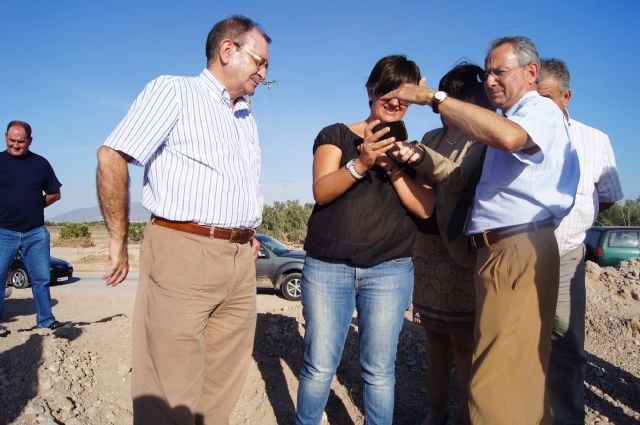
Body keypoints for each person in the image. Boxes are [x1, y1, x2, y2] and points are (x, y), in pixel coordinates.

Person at [383, 36, 580, 424]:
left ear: (531, 72)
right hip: (501, 251)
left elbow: (507, 140)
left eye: (499, 72)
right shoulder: (511, 117)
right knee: (517, 378)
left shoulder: (536, 110)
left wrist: (431, 97)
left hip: (515, 249)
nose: (490, 81)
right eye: (487, 72)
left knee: (490, 386)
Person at [96, 15, 270, 425]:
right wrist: (118, 240)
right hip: (182, 250)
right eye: (259, 62)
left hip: (240, 259)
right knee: (168, 389)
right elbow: (112, 155)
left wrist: (246, 232)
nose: (263, 73)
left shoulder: (246, 117)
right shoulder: (174, 91)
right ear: (228, 51)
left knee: (221, 386)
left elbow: (231, 184)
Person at [295, 55, 435, 425]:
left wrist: (392, 168)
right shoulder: (335, 134)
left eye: (405, 94)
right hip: (328, 269)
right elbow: (322, 191)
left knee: (379, 371)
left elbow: (424, 209)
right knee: (319, 367)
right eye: (387, 91)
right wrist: (360, 163)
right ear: (370, 90)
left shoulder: (414, 151)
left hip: (389, 272)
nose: (394, 101)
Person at [538, 58, 624, 424]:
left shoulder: (595, 140)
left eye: (545, 98)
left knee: (566, 346)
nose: (537, 107)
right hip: (517, 254)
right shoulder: (509, 134)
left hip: (567, 253)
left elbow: (607, 195)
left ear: (566, 96)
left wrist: (578, 216)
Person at [410, 63, 493, 425]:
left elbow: (458, 181)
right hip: (427, 250)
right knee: (434, 336)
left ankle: (464, 415)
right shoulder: (429, 136)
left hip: (462, 252)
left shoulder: (482, 142)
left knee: (463, 341)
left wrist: (420, 159)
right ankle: (438, 408)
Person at [0, 120, 64, 335]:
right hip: (3, 232)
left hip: (35, 232)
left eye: (21, 141)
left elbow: (55, 193)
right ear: (5, 136)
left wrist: (35, 205)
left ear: (30, 141)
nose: (15, 145)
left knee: (41, 279)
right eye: (11, 140)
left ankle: (45, 321)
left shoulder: (41, 164)